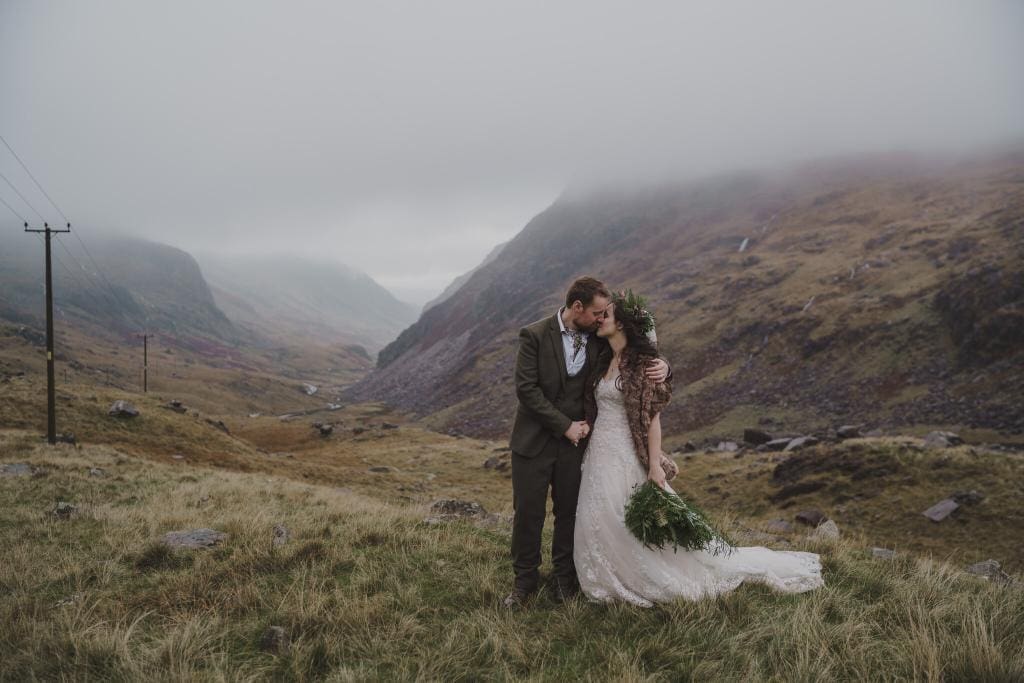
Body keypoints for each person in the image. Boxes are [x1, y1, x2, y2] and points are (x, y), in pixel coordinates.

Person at [573, 290, 825, 607]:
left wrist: (654, 466)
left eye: (606, 315)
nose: (599, 319)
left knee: (623, 516)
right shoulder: (602, 357)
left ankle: (637, 578)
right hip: (598, 452)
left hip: (625, 453)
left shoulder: (642, 367)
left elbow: (652, 420)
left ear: (622, 324)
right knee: (598, 515)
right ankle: (603, 578)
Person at [503, 277, 670, 608]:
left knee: (569, 513)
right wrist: (564, 425)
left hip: (576, 447)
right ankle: (525, 582)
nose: (600, 318)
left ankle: (565, 579)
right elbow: (527, 390)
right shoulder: (534, 335)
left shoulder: (598, 338)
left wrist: (665, 366)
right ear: (576, 307)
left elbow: (635, 352)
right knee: (528, 514)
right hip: (534, 442)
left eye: (602, 314)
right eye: (595, 312)